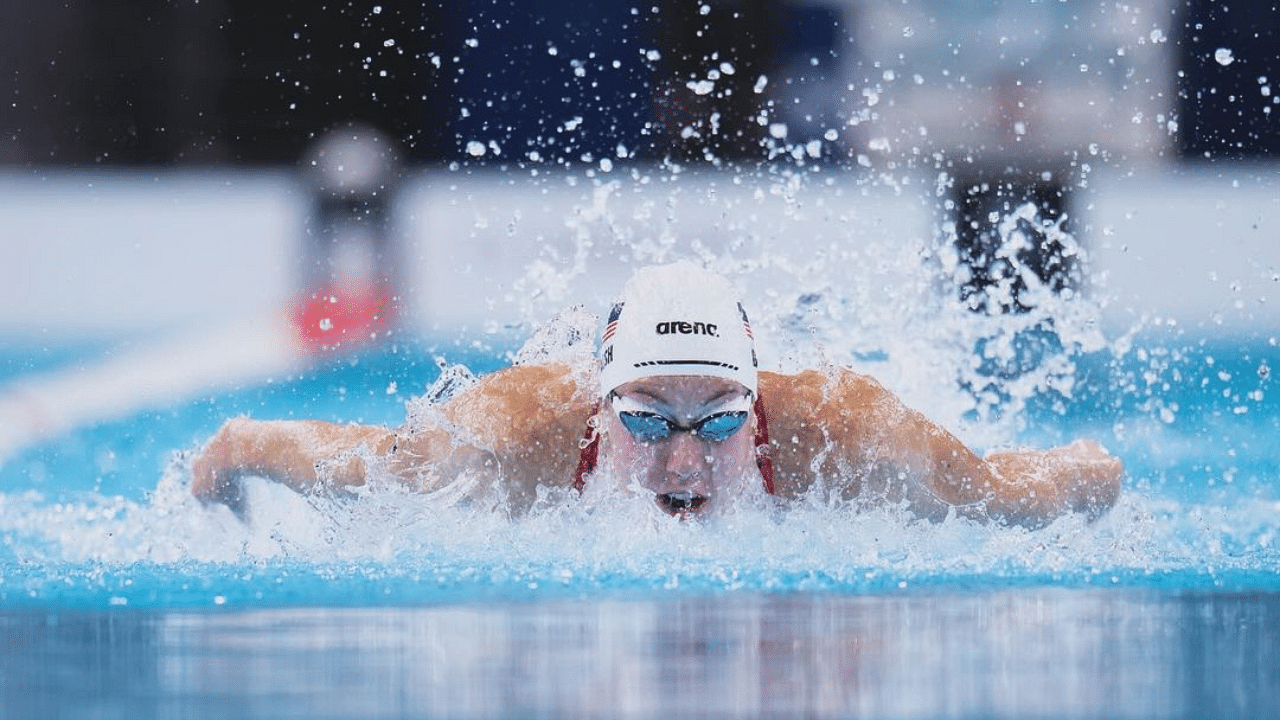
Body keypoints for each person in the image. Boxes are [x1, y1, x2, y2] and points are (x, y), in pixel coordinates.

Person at [192, 262, 1122, 526]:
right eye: (645, 419)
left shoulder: (846, 431)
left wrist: (1091, 471)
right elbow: (365, 463)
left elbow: (1009, 487)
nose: (684, 461)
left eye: (719, 421)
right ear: (601, 410)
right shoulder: (510, 438)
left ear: (757, 408)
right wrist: (236, 447)